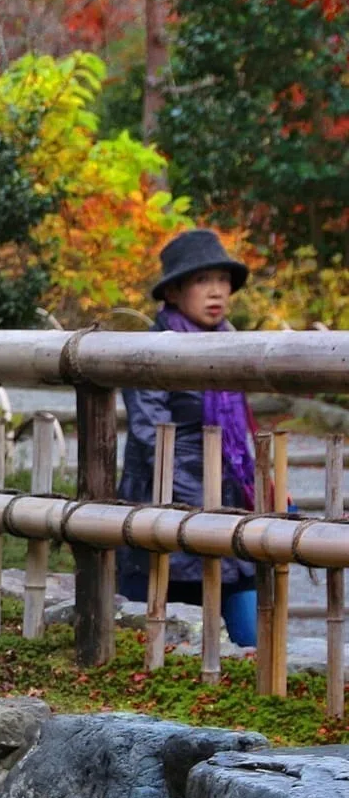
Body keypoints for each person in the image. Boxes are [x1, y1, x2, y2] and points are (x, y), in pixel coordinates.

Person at [117, 229, 259, 647]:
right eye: (202, 281)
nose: (216, 291)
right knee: (161, 639)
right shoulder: (152, 351)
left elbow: (239, 443)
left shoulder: (234, 346)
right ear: (174, 292)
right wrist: (200, 507)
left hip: (229, 504)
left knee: (251, 640)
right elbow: (151, 433)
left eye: (222, 280)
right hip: (165, 508)